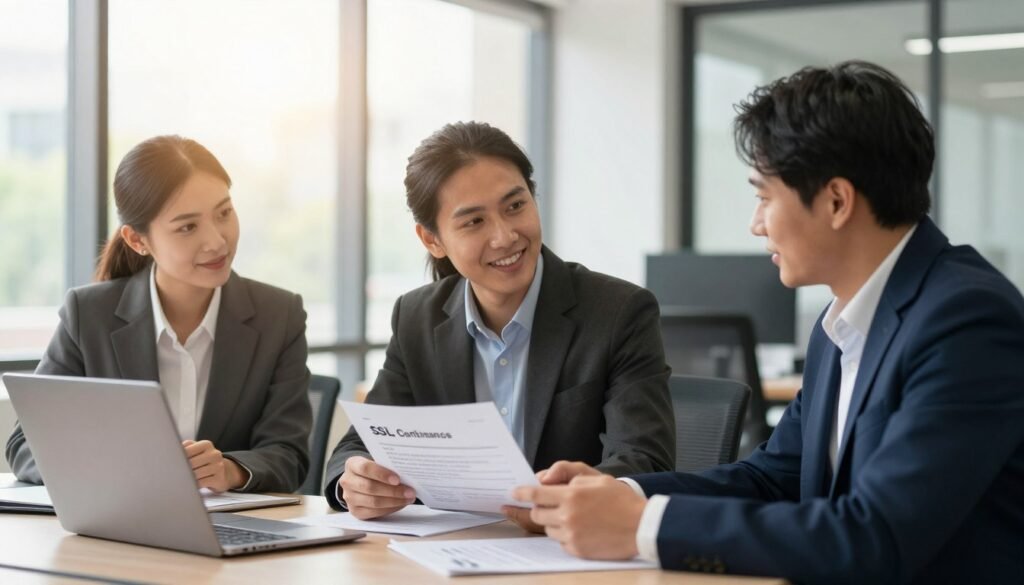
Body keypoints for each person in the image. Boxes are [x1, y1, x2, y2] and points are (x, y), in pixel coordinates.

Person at [511, 61, 1024, 584]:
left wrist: (644, 526)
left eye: (763, 197)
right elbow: (771, 477)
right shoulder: (839, 325)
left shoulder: (966, 321)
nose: (755, 224)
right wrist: (619, 494)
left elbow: (878, 536)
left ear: (836, 201)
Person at [324, 121, 675, 520]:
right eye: (474, 221)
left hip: (570, 553)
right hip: (447, 553)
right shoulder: (416, 318)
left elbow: (646, 462)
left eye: (515, 206)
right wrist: (354, 482)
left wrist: (564, 503)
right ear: (432, 240)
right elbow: (361, 446)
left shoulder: (618, 312)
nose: (505, 236)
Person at [6, 135, 313, 493]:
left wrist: (231, 470)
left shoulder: (279, 316)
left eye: (224, 213)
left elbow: (288, 454)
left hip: (230, 530)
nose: (217, 241)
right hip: (121, 527)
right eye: (187, 227)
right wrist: (115, 470)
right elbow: (26, 446)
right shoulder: (88, 316)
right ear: (138, 241)